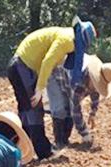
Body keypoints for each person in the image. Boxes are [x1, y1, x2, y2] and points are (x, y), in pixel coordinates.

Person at [8, 17, 96, 159]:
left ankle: (19, 149)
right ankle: (44, 152)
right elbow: (48, 61)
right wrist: (39, 89)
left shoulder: (67, 34)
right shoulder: (67, 40)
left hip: (20, 66)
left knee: (25, 111)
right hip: (23, 67)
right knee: (34, 110)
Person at [46, 54, 111, 148]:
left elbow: (95, 93)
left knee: (68, 109)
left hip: (66, 78)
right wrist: (84, 133)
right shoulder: (78, 83)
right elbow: (75, 110)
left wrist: (93, 113)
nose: (97, 87)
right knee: (60, 109)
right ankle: (59, 141)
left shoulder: (93, 79)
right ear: (91, 77)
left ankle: (64, 140)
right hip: (53, 74)